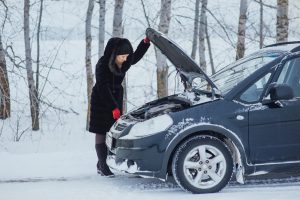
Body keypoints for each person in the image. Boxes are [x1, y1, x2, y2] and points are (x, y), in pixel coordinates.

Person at [89, 36, 151, 176]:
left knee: (112, 131)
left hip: (115, 98)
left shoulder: (125, 60)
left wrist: (145, 43)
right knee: (101, 131)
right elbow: (103, 87)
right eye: (122, 56)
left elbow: (135, 58)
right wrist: (113, 107)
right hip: (101, 98)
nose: (125, 59)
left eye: (126, 56)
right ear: (113, 54)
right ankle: (103, 166)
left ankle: (102, 162)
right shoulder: (102, 65)